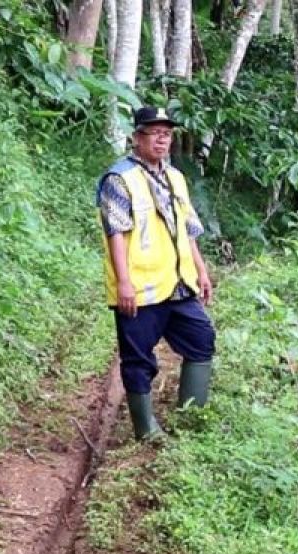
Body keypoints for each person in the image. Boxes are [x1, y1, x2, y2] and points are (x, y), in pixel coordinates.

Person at [96, 106, 216, 440]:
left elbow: (187, 229)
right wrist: (124, 283)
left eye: (167, 133)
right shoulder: (119, 179)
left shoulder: (175, 176)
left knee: (201, 339)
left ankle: (190, 419)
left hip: (178, 285)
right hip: (140, 288)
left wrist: (201, 271)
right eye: (154, 132)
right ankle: (146, 430)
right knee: (138, 360)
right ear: (137, 138)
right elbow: (115, 232)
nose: (162, 139)